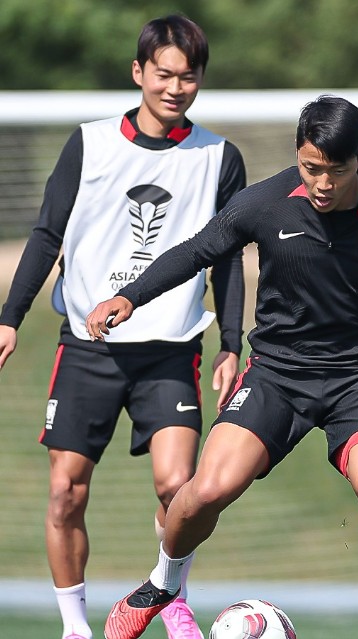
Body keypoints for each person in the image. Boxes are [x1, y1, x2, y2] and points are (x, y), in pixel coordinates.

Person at [85, 94, 358, 639]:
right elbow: (198, 250)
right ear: (298, 154)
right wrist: (129, 298)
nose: (321, 183)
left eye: (336, 171)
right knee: (203, 491)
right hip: (277, 375)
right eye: (310, 167)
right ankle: (164, 581)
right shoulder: (265, 203)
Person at [0, 15, 247, 639]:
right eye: (163, 74)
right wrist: (9, 320)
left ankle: (172, 601)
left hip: (171, 347)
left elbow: (228, 259)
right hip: (89, 347)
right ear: (138, 73)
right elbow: (46, 236)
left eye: (187, 77)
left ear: (199, 81)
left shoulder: (220, 157)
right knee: (66, 493)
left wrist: (231, 342)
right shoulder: (90, 144)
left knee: (177, 487)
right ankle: (75, 627)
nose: (175, 87)